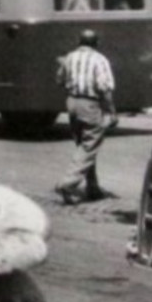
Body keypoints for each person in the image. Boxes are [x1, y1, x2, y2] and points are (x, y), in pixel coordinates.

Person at [54, 29, 117, 204]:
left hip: (72, 103)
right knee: (90, 145)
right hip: (90, 104)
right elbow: (105, 88)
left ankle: (92, 187)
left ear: (79, 42)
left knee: (83, 145)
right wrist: (111, 112)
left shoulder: (70, 57)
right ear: (96, 43)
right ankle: (68, 183)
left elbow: (59, 80)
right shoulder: (100, 60)